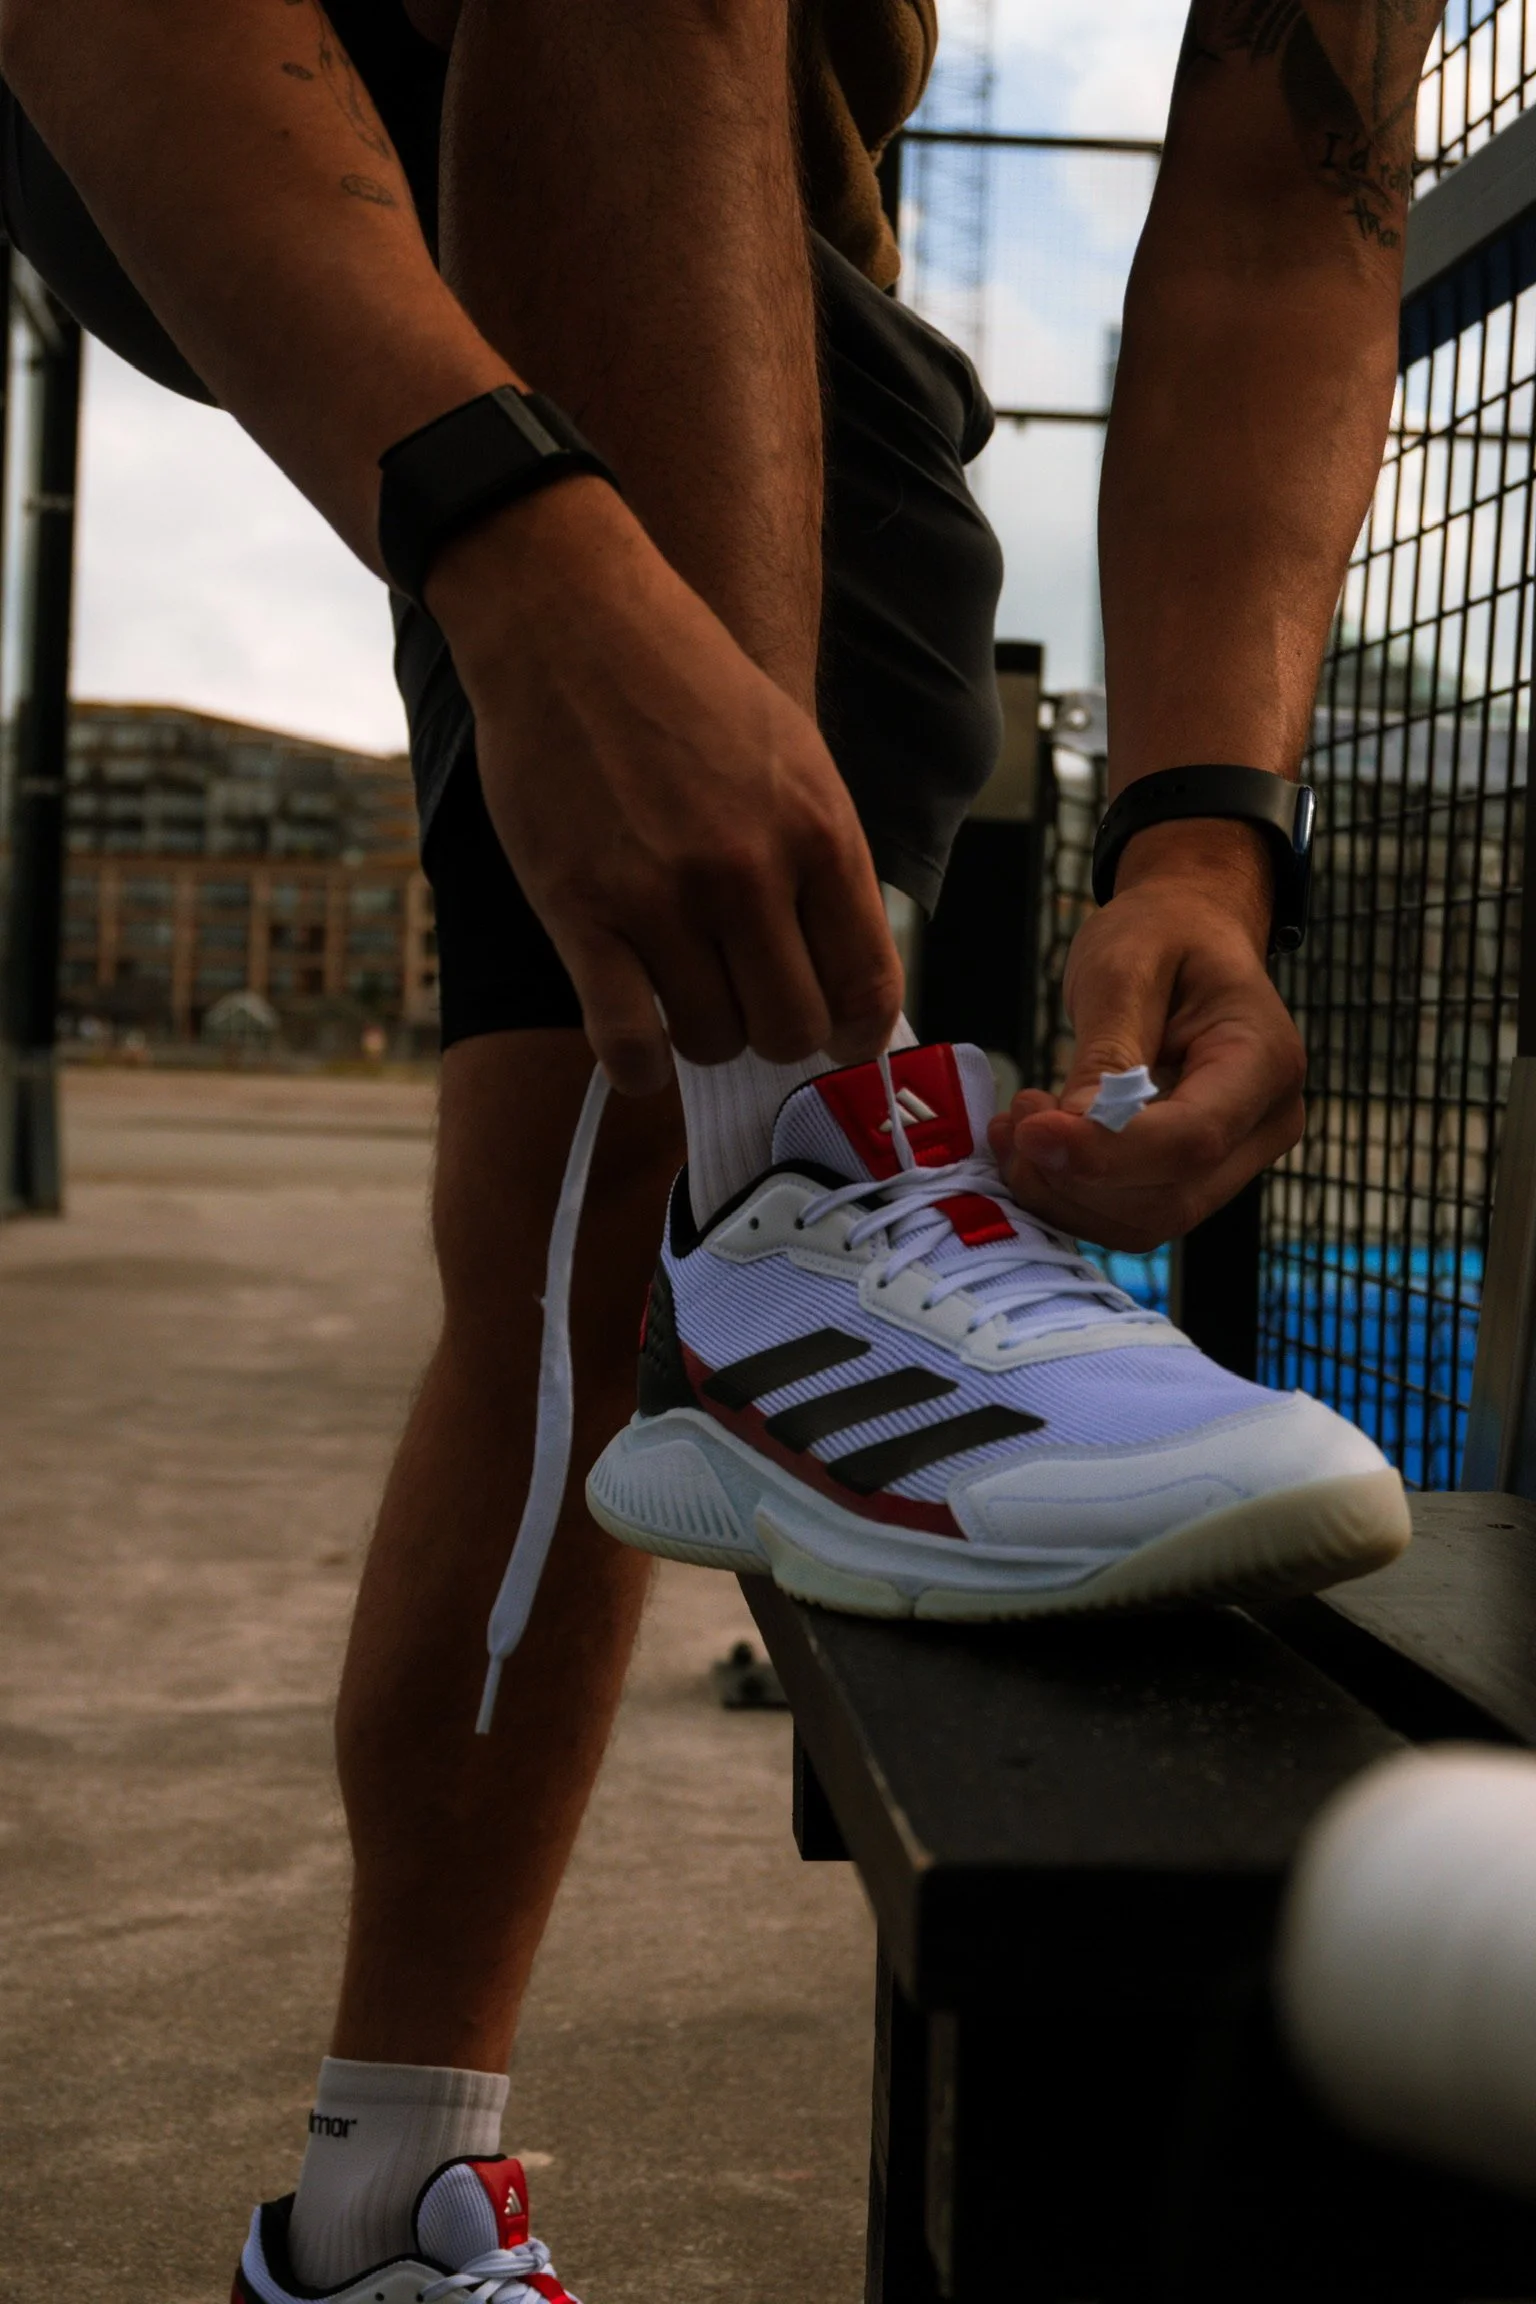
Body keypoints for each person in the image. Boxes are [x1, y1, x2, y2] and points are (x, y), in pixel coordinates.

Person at [0, 0, 1449, 2295]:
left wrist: (1205, 846)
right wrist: (526, 553)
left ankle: (385, 2208)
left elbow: (1300, 188)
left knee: (597, 1155)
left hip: (730, 177)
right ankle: (800, 1195)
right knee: (725, 1084)